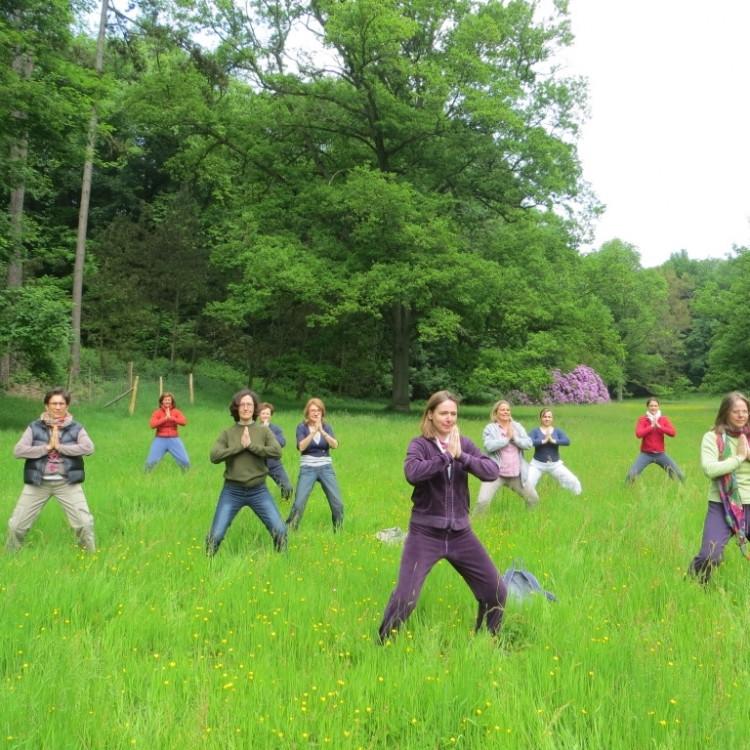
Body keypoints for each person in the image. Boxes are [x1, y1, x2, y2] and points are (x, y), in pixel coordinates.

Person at [378, 390, 506, 642]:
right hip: (425, 534)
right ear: (430, 415)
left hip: (461, 534)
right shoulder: (420, 445)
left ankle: (486, 643)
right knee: (405, 599)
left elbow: (491, 471)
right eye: (443, 413)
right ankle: (382, 644)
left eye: (453, 414)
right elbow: (412, 473)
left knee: (496, 591)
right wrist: (447, 456)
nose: (449, 418)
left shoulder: (464, 444)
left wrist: (462, 457)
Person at [6, 388, 96, 553]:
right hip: (38, 483)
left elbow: (89, 448)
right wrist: (47, 448)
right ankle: (10, 557)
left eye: (61, 403)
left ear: (67, 406)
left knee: (84, 523)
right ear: (47, 406)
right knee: (16, 525)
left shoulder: (76, 428)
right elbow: (18, 451)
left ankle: (89, 558)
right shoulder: (34, 427)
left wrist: (60, 448)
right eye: (53, 403)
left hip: (66, 483)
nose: (57, 407)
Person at [205, 389, 287, 555]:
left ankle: (283, 565)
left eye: (249, 404)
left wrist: (251, 446)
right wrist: (239, 447)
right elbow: (214, 456)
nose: (245, 407)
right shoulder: (227, 433)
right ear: (236, 408)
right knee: (215, 536)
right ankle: (207, 568)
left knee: (280, 531)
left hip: (259, 490)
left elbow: (277, 451)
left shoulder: (264, 431)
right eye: (242, 404)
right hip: (232, 491)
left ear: (254, 408)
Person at [688, 392, 750, 583]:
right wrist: (738, 458)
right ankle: (697, 585)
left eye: (745, 411)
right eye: (735, 412)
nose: (741, 415)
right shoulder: (712, 437)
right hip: (722, 504)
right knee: (710, 555)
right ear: (725, 413)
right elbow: (710, 469)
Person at [286, 398, 344, 532]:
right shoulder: (302, 428)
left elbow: (335, 445)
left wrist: (322, 431)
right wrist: (313, 432)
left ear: (322, 412)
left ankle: (339, 532)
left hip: (326, 468)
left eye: (318, 410)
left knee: (337, 504)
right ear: (307, 412)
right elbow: (301, 447)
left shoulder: (327, 427)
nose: (316, 413)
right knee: (299, 503)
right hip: (308, 469)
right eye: (313, 410)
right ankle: (288, 531)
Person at [473, 400, 538, 513]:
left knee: (533, 499)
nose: (506, 412)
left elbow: (528, 444)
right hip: (494, 474)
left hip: (516, 475)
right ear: (495, 413)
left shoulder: (517, 427)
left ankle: (527, 519)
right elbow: (489, 446)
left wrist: (514, 439)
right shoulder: (490, 428)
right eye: (502, 410)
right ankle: (473, 526)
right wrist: (506, 439)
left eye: (508, 410)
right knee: (482, 501)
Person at [625, 398, 684, 484]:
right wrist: (651, 426)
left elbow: (673, 433)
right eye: (651, 406)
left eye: (655, 406)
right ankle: (627, 492)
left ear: (658, 407)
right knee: (631, 474)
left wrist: (659, 426)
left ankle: (682, 490)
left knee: (679, 475)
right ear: (648, 407)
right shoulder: (643, 419)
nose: (653, 408)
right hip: (646, 454)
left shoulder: (663, 419)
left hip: (661, 454)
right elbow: (639, 434)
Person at [527, 408, 582, 495]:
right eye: (544, 416)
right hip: (537, 465)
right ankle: (528, 502)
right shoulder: (535, 431)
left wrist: (553, 441)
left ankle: (578, 498)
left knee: (574, 481)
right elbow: (528, 442)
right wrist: (543, 441)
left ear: (552, 418)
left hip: (555, 465)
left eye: (549, 417)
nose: (547, 419)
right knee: (527, 484)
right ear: (540, 418)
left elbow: (567, 441)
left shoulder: (557, 431)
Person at [144, 392, 190, 472]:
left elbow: (184, 422)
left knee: (185, 461)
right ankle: (145, 477)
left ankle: (187, 477)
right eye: (165, 400)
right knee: (150, 462)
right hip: (160, 439)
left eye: (169, 400)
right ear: (162, 401)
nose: (167, 401)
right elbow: (152, 425)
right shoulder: (157, 413)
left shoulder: (176, 412)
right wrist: (165, 418)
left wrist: (171, 418)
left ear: (172, 401)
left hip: (174, 439)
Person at [258, 402, 294, 501]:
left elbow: (282, 443)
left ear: (271, 415)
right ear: (258, 415)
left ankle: (284, 506)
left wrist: (268, 431)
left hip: (274, 464)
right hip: (257, 464)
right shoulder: (253, 429)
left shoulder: (276, 429)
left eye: (267, 414)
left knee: (287, 488)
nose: (265, 415)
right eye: (263, 413)